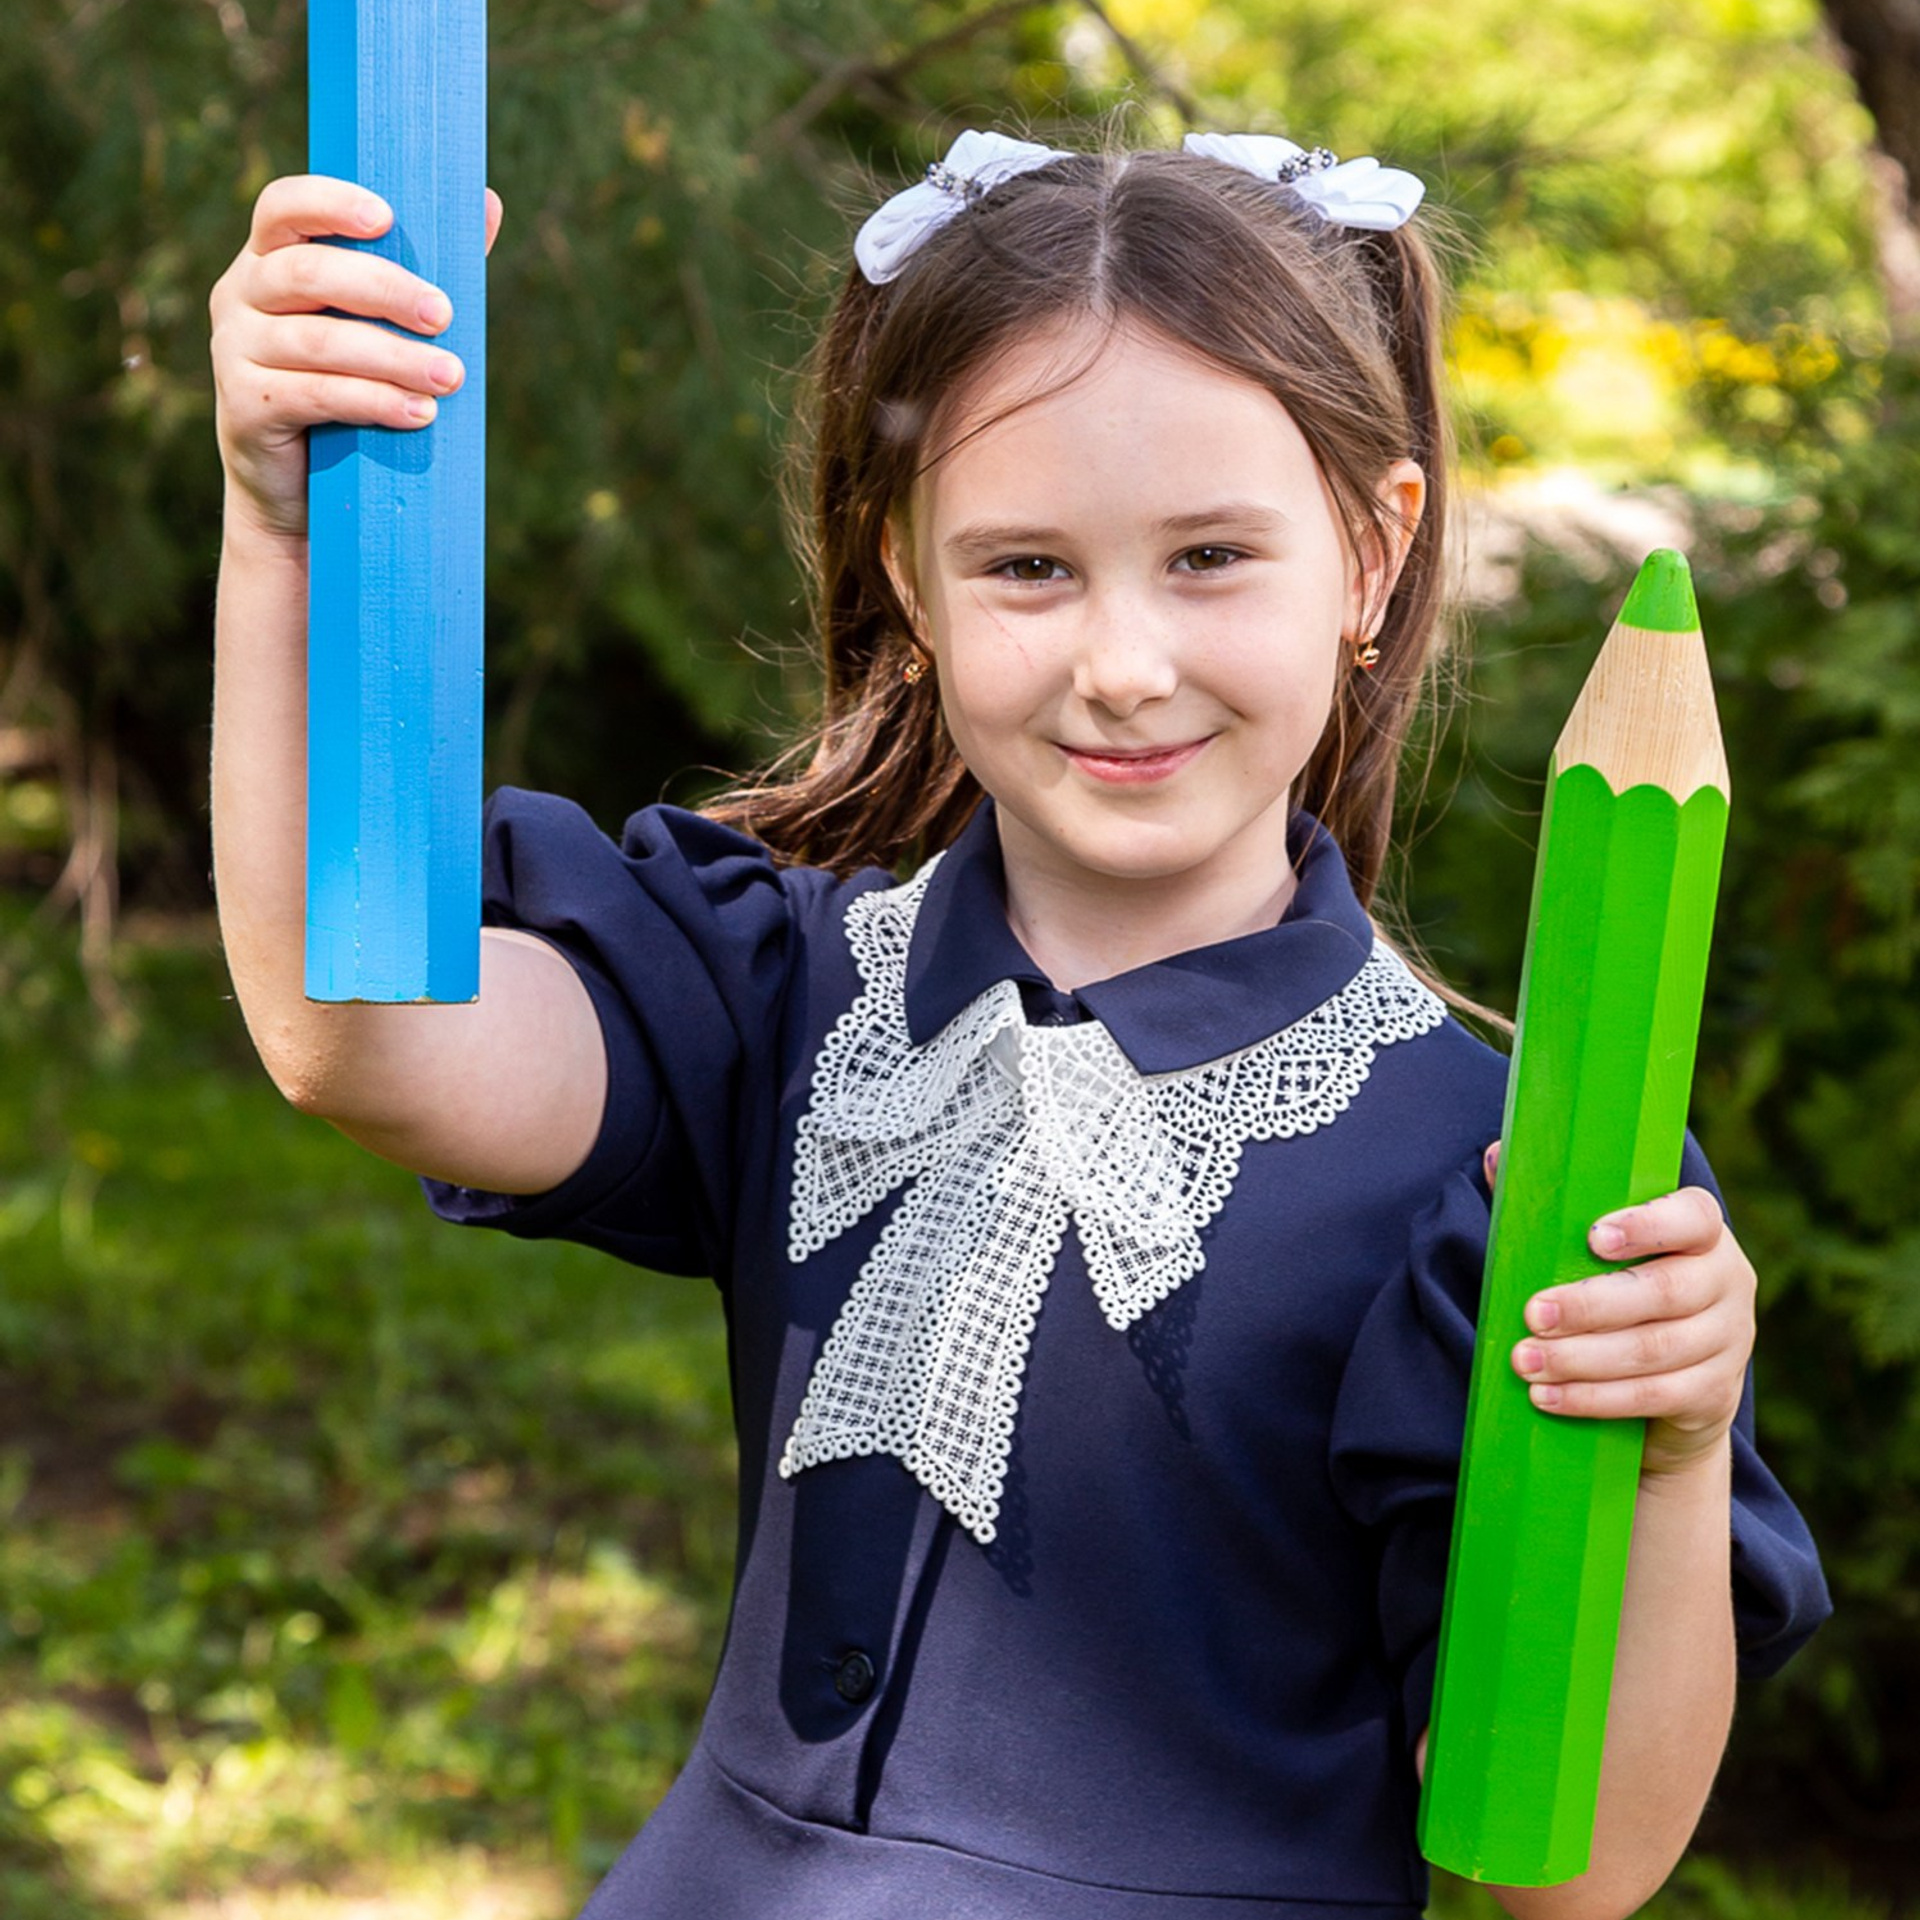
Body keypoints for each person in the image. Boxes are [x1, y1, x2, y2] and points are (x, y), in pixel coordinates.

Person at [208, 127, 1830, 1920]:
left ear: (1373, 556)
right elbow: (359, 1031)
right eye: (1027, 569)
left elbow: (1564, 1871)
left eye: (1210, 556)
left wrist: (1670, 1456)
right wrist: (295, 532)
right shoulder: (786, 989)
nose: (1121, 662)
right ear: (910, 577)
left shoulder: (1500, 1182)